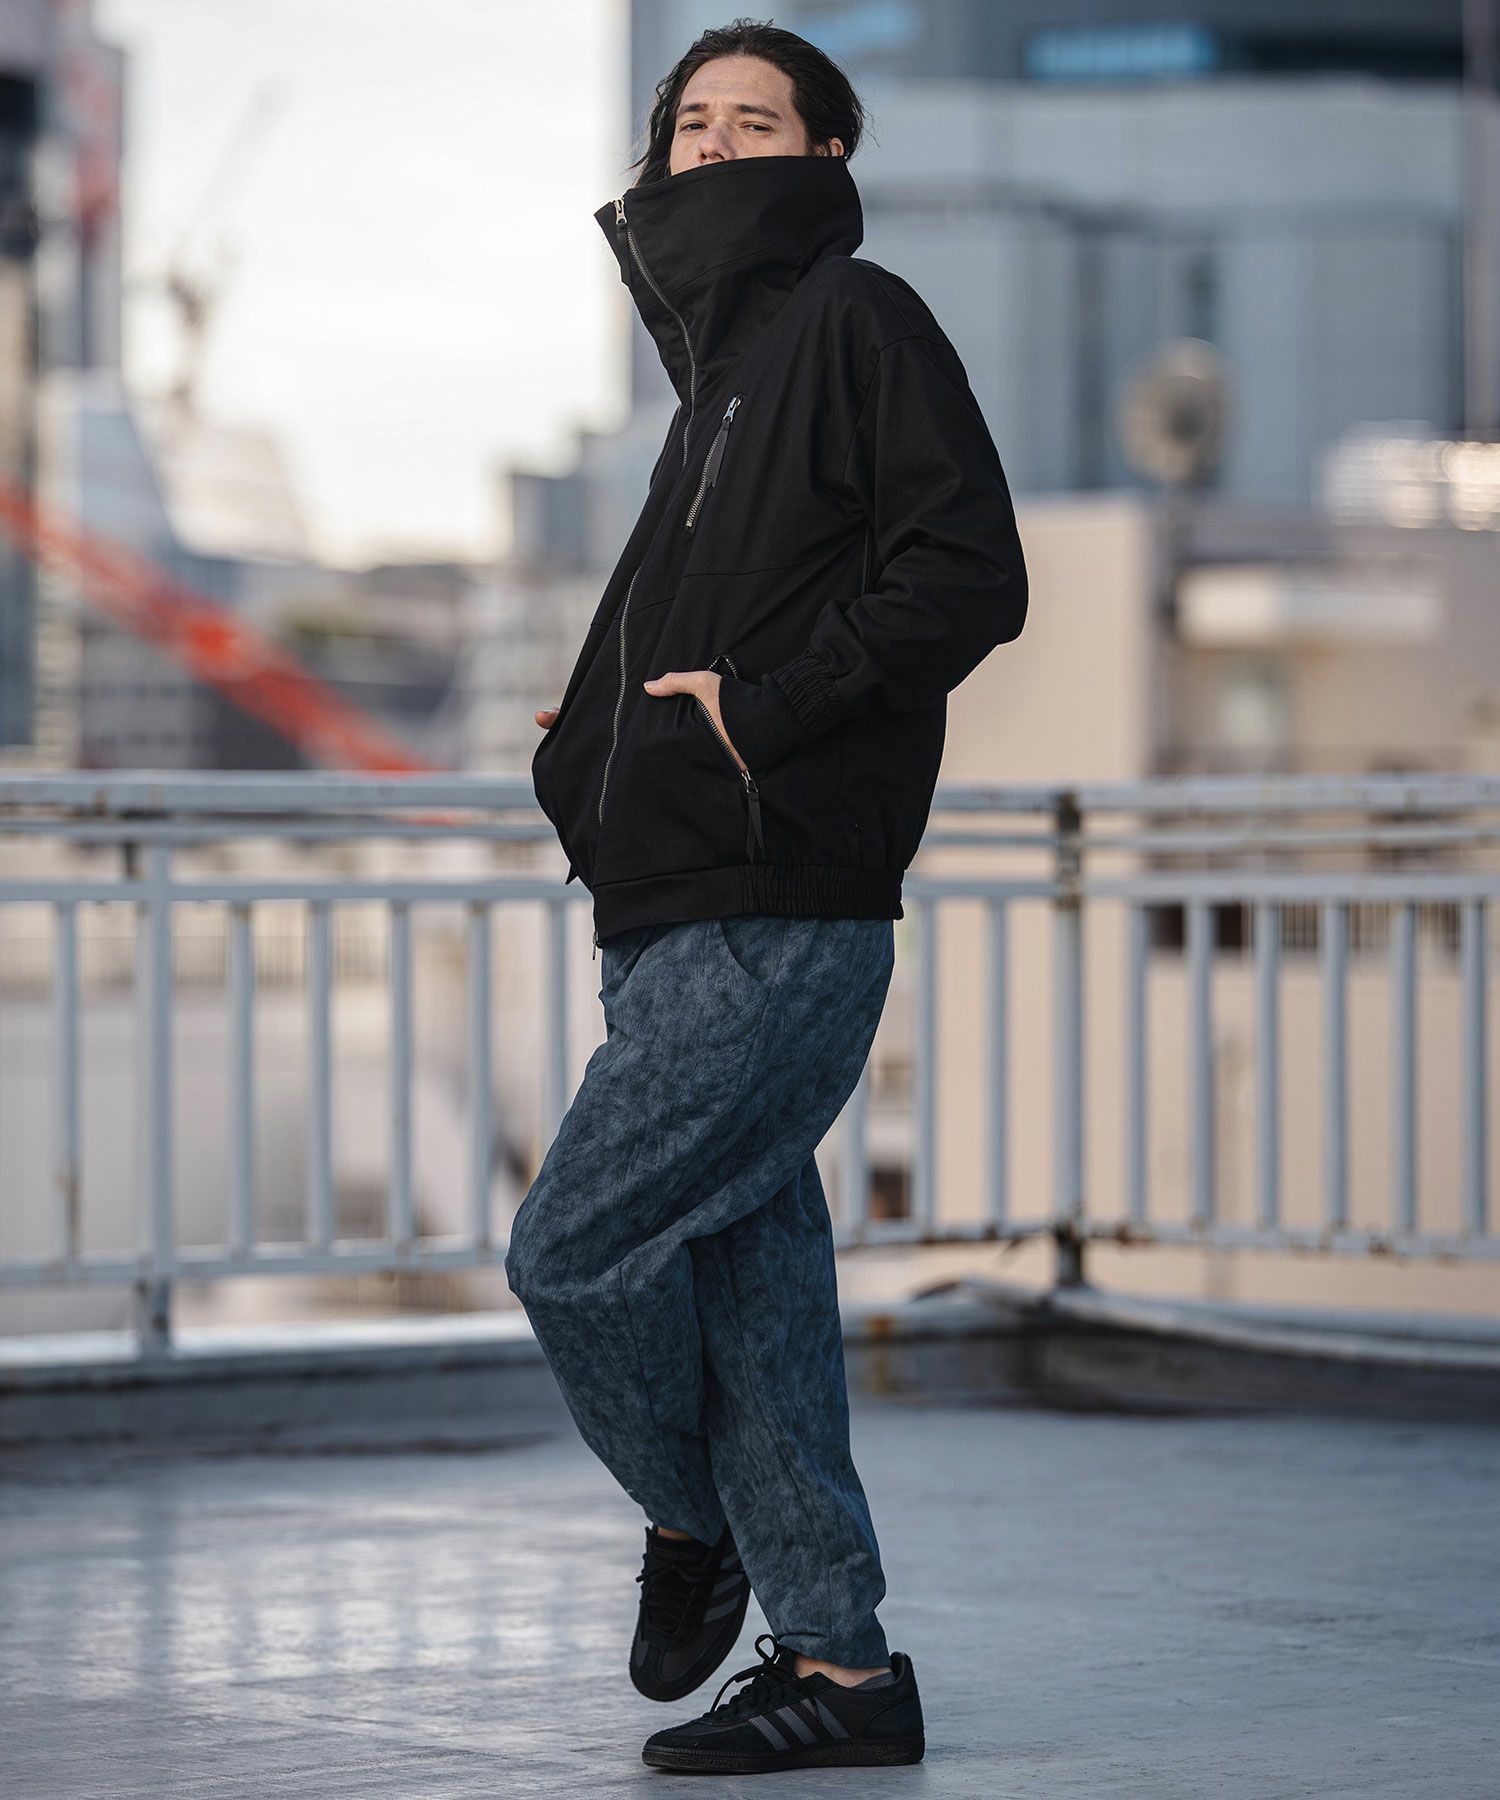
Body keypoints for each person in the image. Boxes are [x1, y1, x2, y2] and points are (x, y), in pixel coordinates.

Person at [505, 17, 1027, 1776]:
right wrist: (596, 744)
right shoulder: (717, 386)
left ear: (824, 156)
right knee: (758, 1309)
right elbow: (700, 628)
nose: (718, 145)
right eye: (693, 124)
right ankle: (845, 1674)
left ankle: (697, 1519)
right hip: (674, 903)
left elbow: (970, 573)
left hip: (773, 893)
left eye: (757, 121)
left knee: (572, 1250)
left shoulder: (854, 322)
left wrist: (768, 711)